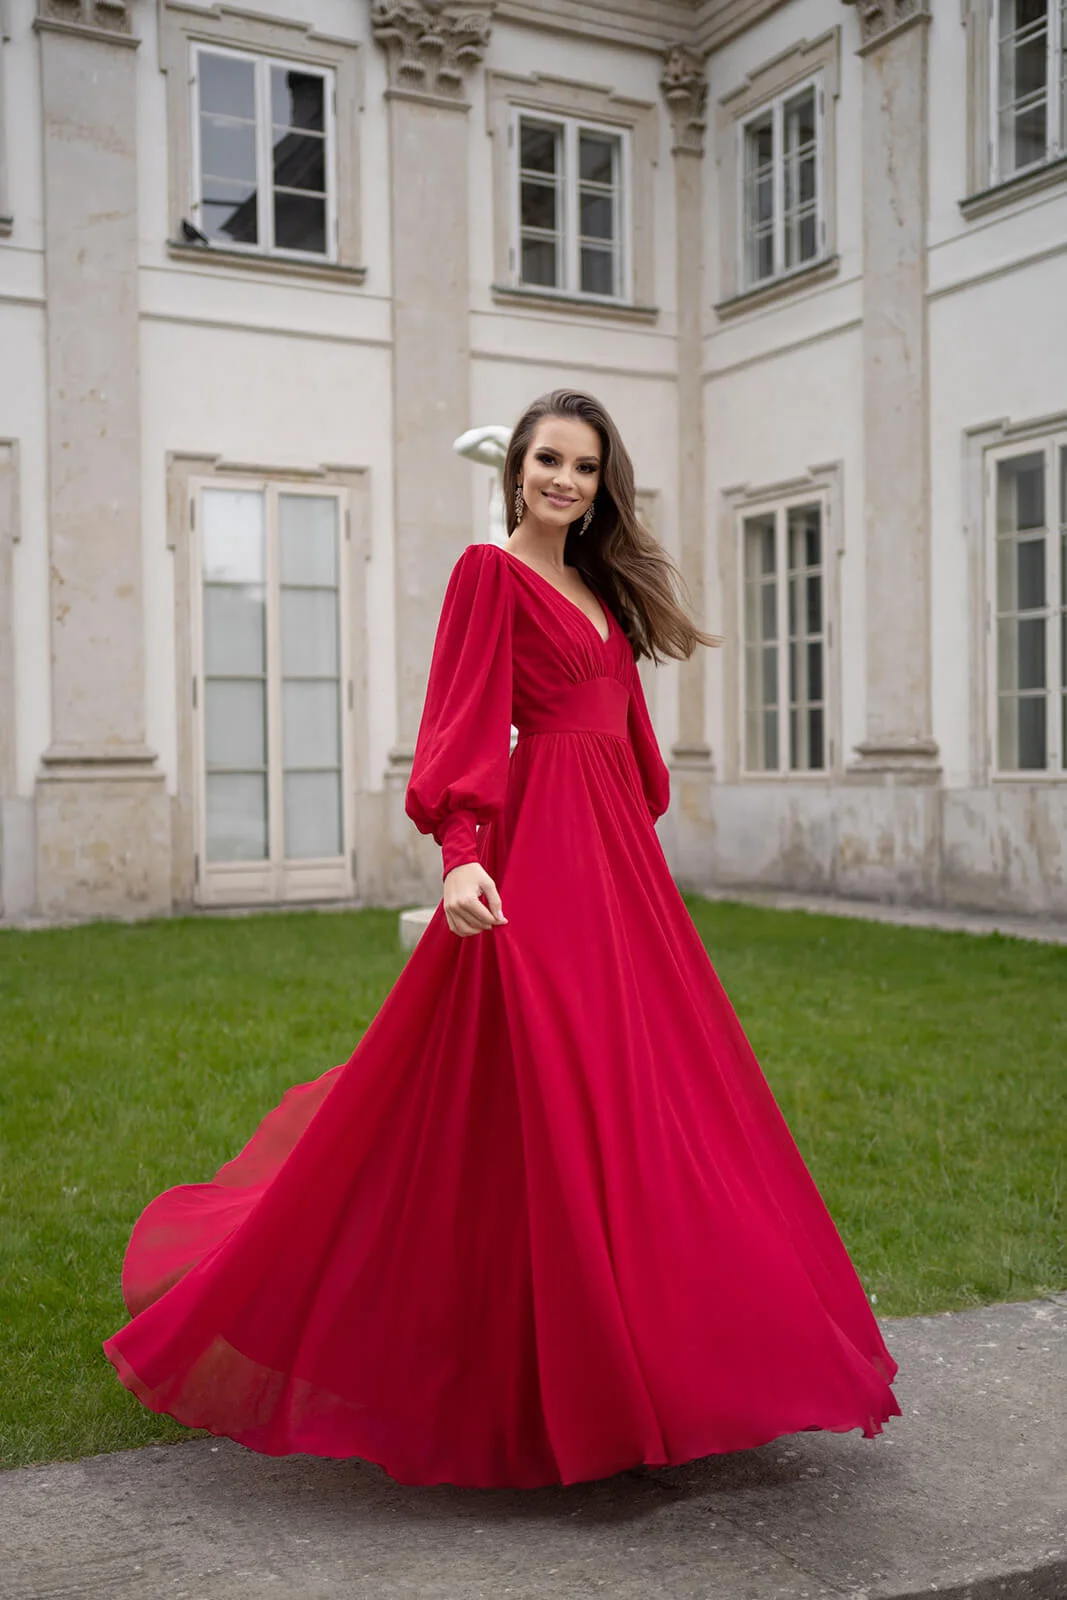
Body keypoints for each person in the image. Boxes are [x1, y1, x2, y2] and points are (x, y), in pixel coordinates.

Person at [104, 388, 900, 1489]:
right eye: (546, 461)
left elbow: (633, 753)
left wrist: (618, 812)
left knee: (640, 1097)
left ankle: (650, 1362)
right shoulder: (489, 572)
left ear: (600, 481)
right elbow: (463, 713)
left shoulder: (597, 589)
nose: (563, 480)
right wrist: (463, 851)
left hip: (617, 868)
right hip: (534, 867)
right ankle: (540, 1377)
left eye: (582, 465)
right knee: (544, 1094)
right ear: (515, 469)